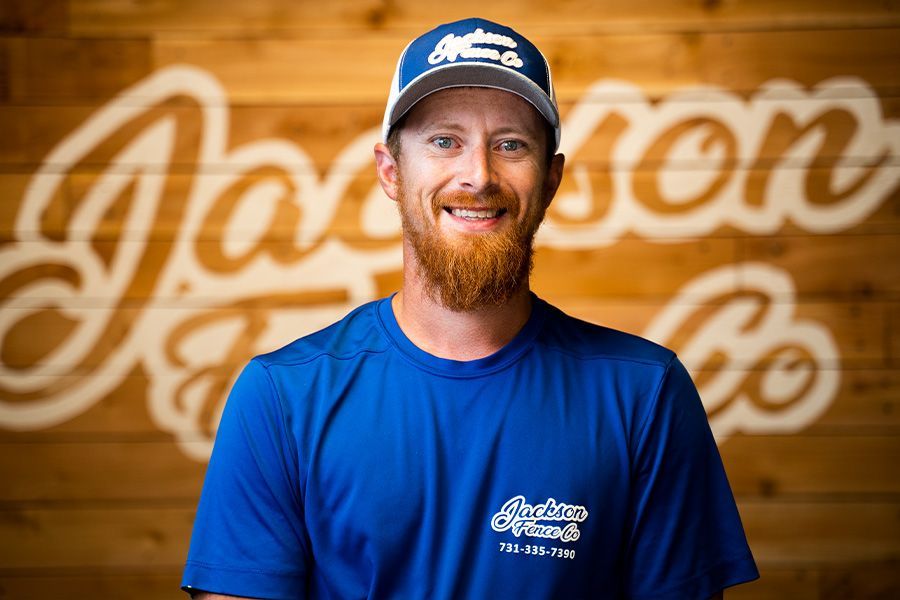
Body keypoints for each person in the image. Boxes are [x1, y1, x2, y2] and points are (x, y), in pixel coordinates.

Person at [181, 17, 759, 599]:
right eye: (443, 141)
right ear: (390, 171)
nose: (478, 176)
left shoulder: (644, 393)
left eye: (511, 144)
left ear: (552, 178)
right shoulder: (282, 398)